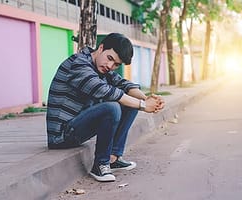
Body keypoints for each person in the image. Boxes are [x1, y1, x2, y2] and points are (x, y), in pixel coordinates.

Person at [46, 33, 165, 182]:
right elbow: (105, 91)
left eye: (116, 64)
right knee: (112, 107)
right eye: (110, 59)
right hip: (62, 135)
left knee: (128, 100)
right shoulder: (79, 64)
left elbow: (124, 85)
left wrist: (146, 98)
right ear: (101, 48)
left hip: (76, 127)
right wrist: (143, 106)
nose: (110, 66)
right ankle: (100, 164)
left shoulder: (100, 67)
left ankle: (113, 158)